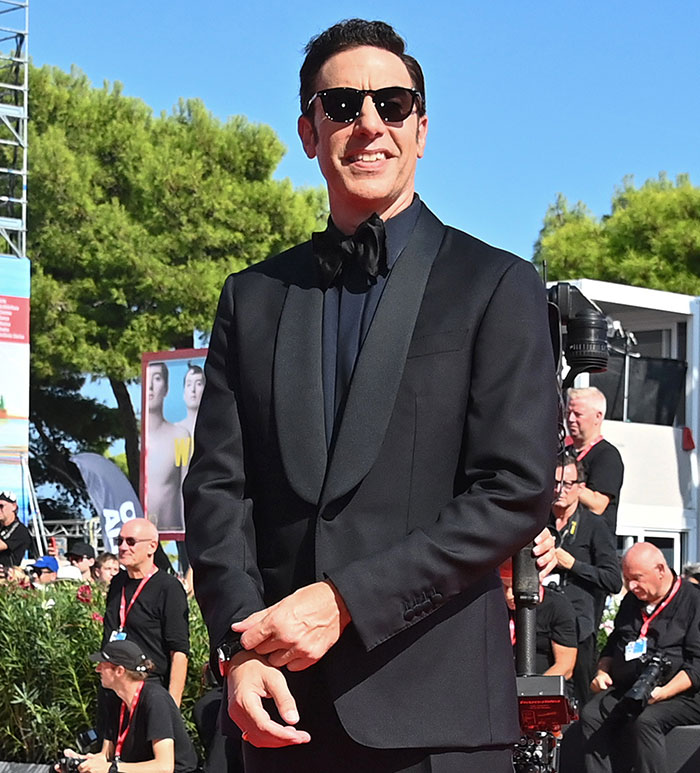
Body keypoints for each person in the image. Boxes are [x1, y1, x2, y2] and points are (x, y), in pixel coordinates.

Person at [184, 18, 557, 772]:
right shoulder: (252, 297)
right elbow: (218, 489)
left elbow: (515, 490)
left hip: (439, 719)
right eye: (343, 105)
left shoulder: (497, 285)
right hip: (280, 716)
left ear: (422, 129)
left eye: (392, 103)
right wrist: (239, 645)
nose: (369, 124)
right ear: (308, 131)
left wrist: (346, 599)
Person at [581, 542, 700, 773]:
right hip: (633, 687)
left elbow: (697, 664)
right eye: (627, 579)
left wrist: (664, 692)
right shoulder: (631, 602)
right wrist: (603, 671)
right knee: (592, 714)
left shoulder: (694, 602)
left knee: (646, 720)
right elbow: (615, 643)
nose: (632, 586)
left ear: (660, 570)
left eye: (637, 578)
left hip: (681, 693)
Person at [546, 454, 621, 704]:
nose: (561, 490)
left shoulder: (594, 526)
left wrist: (573, 565)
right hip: (538, 623)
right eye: (555, 482)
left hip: (578, 627)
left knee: (579, 704)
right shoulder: (537, 521)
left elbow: (614, 580)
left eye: (568, 484)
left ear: (581, 486)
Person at [58, 639, 198, 773]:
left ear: (119, 671)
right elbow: (106, 756)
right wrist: (82, 761)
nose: (97, 669)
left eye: (102, 664)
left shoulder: (155, 700)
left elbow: (164, 766)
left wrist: (113, 769)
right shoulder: (116, 699)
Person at [102, 518, 189, 707]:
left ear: (152, 547)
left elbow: (179, 651)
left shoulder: (168, 587)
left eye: (131, 541)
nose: (123, 547)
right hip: (114, 684)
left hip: (148, 687)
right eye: (120, 541)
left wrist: (171, 706)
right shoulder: (118, 583)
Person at [501, 560, 578, 680]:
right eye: (504, 587)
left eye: (514, 588)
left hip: (542, 685)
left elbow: (565, 666)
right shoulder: (493, 605)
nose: (509, 595)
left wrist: (532, 690)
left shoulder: (557, 606)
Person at [567, 387, 624, 535]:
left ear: (598, 417)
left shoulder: (607, 456)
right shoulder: (563, 453)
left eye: (578, 414)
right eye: (568, 413)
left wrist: (565, 484)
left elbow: (597, 505)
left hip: (590, 548)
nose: (571, 419)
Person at [145, 362, 189, 533]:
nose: (149, 387)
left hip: (173, 526)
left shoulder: (180, 436)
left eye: (156, 379)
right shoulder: (137, 442)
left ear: (166, 388)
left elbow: (186, 484)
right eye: (148, 379)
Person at [0, 489, 31, 567]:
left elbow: (1, 545)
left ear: (13, 507)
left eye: (1, 506)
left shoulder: (20, 530)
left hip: (7, 575)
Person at [175, 363, 205, 437]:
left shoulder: (215, 429)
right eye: (189, 384)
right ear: (184, 393)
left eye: (198, 384)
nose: (193, 390)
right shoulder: (174, 431)